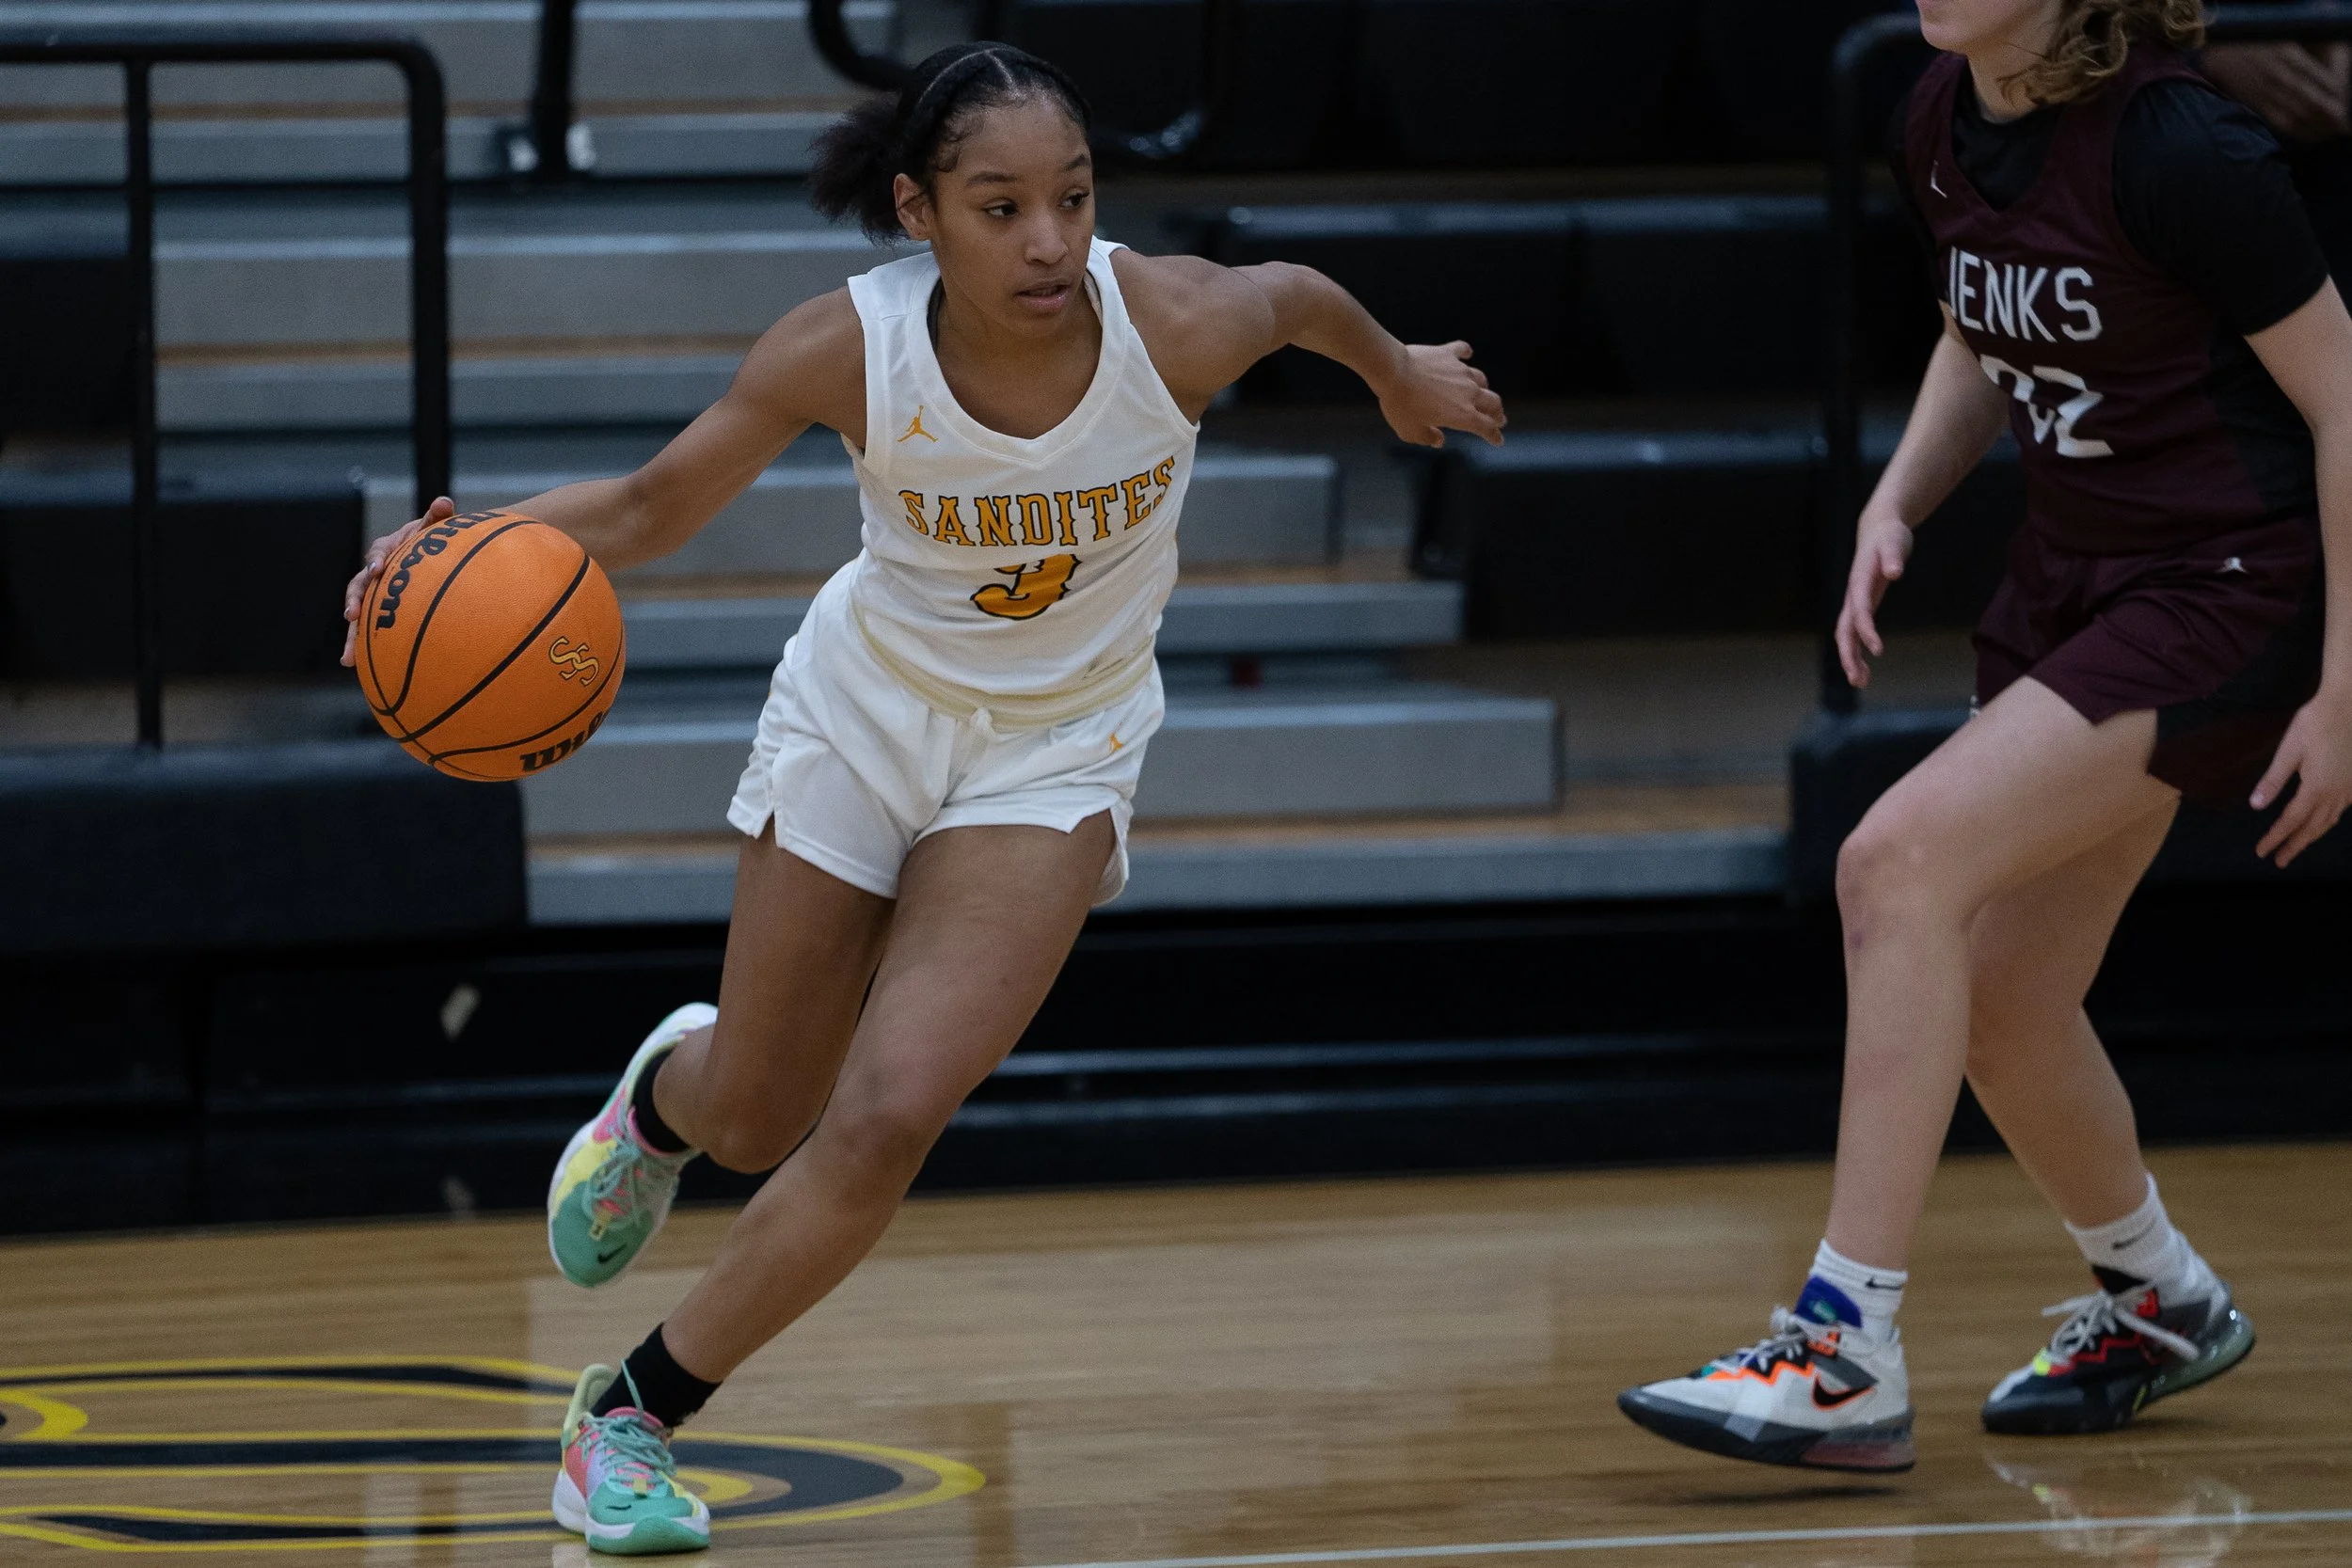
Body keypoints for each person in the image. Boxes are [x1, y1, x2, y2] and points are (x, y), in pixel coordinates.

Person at [342, 41, 1502, 1554]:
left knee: (887, 1112)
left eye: (1072, 200)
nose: (1047, 241)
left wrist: (1400, 371)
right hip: (865, 710)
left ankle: (628, 1414)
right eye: (1001, 206)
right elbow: (648, 508)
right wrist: (454, 550)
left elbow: (1295, 296)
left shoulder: (1178, 325)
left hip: (1058, 749)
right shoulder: (845, 348)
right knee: (759, 1106)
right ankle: (663, 1103)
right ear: (917, 212)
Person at [1617, 0, 2352, 1472]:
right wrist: (1901, 499)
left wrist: (2347, 686)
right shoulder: (1940, 110)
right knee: (2010, 994)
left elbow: (2347, 397)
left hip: (2226, 585)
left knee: (1893, 865)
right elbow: (1980, 318)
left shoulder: (2182, 143)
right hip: (2075, 581)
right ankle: (2159, 1299)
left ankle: (1840, 1351)